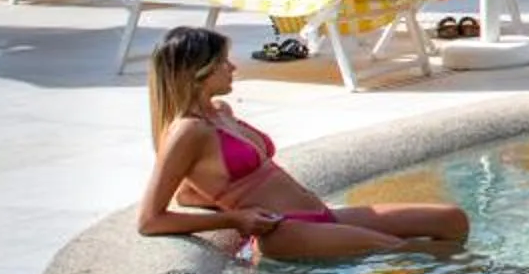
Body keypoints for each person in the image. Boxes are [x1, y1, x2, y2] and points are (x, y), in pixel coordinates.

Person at [136, 26, 471, 261]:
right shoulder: (187, 131)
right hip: (285, 230)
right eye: (224, 61)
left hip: (318, 213)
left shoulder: (220, 111)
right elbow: (151, 220)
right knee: (403, 250)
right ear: (199, 72)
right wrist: (236, 219)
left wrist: (219, 196)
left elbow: (187, 191)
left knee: (451, 220)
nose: (233, 67)